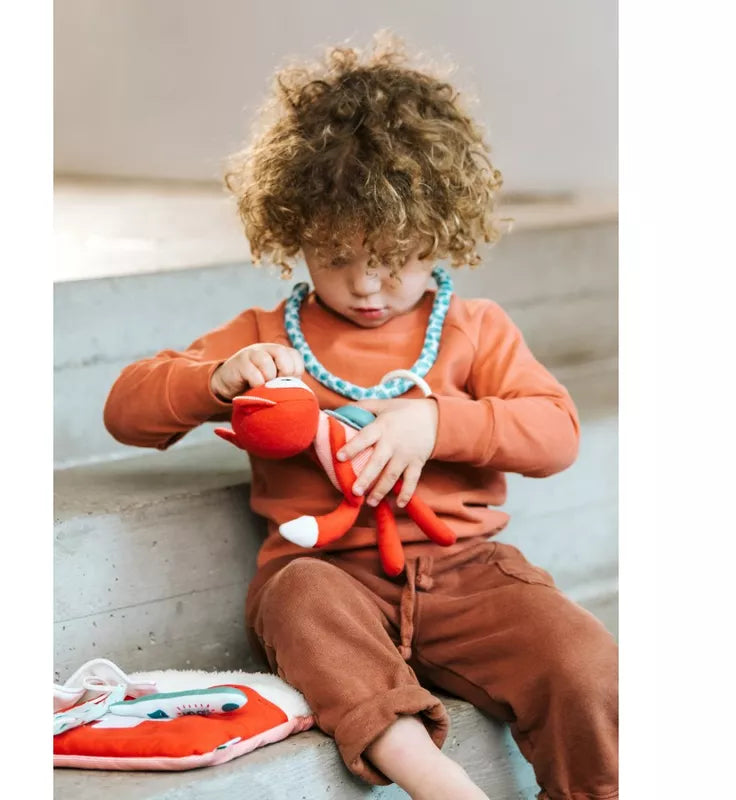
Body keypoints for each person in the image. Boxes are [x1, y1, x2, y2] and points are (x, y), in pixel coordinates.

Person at [103, 31, 618, 800]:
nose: (368, 285)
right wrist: (218, 378)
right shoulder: (268, 335)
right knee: (294, 597)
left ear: (441, 233)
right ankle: (430, 775)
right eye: (336, 257)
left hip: (470, 576)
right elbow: (126, 410)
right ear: (294, 232)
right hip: (335, 579)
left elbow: (555, 432)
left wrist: (436, 423)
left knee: (588, 665)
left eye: (396, 258)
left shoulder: (474, 329)